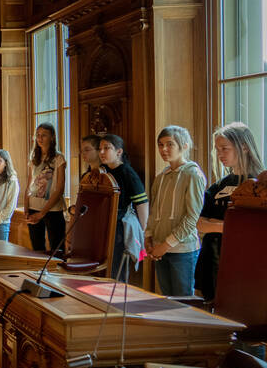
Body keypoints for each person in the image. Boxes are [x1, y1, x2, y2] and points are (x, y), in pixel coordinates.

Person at [196, 122, 264, 300]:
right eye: (217, 149)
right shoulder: (217, 186)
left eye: (224, 148)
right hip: (212, 259)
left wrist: (216, 225)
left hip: (246, 261)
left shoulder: (260, 185)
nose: (219, 155)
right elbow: (201, 224)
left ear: (244, 147)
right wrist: (232, 227)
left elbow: (255, 227)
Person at [145, 125, 206, 296]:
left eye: (170, 144)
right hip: (159, 249)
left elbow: (192, 217)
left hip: (182, 250)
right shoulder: (160, 178)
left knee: (184, 302)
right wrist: (148, 236)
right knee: (168, 301)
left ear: (184, 146)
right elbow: (153, 210)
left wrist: (166, 245)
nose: (164, 149)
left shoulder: (193, 175)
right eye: (160, 144)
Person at [98, 134, 149, 281]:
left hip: (119, 225)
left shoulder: (127, 173)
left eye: (106, 148)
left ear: (119, 152)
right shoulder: (102, 171)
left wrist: (144, 231)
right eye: (100, 148)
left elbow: (142, 202)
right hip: (103, 224)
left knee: (116, 269)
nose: (101, 152)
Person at [23, 123, 66, 253]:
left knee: (57, 248)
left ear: (52, 137)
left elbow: (60, 189)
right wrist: (26, 208)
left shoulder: (59, 158)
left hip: (52, 209)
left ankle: (57, 274)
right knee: (37, 249)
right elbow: (29, 186)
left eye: (44, 135)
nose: (40, 138)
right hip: (33, 207)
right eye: (38, 135)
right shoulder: (33, 158)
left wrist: (42, 213)